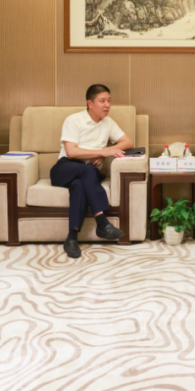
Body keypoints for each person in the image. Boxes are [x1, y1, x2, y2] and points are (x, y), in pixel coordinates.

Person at [51, 84, 134, 259]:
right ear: (90, 103)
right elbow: (71, 152)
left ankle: (71, 238)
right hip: (66, 167)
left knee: (80, 185)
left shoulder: (108, 122)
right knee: (88, 171)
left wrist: (103, 154)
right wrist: (101, 153)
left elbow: (127, 142)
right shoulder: (74, 120)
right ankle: (102, 222)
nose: (107, 105)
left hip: (89, 171)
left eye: (109, 101)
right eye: (102, 101)